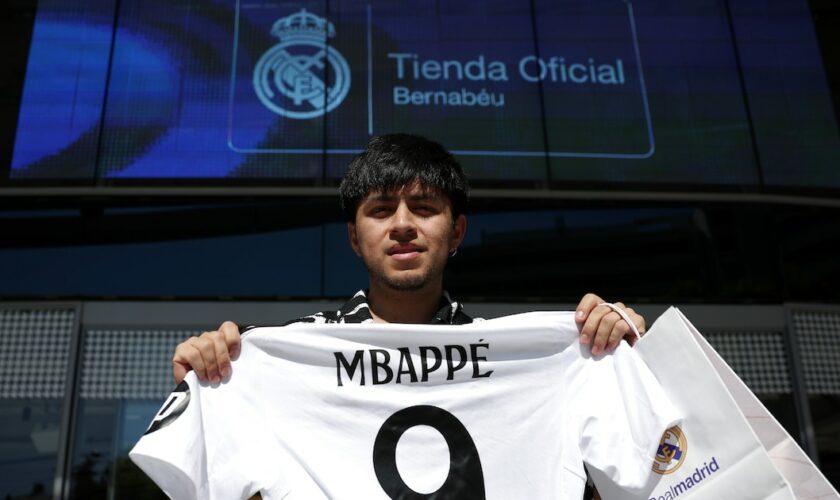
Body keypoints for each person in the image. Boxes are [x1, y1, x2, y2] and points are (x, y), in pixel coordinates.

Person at [171, 133, 647, 386]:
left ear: (456, 231)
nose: (402, 225)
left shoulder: (526, 360)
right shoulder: (285, 355)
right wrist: (211, 382)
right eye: (380, 211)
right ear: (355, 240)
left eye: (423, 208)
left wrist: (622, 360)